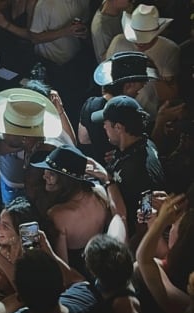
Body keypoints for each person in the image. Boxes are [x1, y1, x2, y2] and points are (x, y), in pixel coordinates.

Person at [90, 94, 165, 241]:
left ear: (118, 127)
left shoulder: (141, 174)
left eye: (106, 123)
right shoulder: (145, 143)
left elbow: (144, 225)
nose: (103, 126)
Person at [30, 144, 110, 276]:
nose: (44, 176)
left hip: (78, 277)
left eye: (51, 173)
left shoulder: (56, 214)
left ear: (65, 179)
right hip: (104, 269)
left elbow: (63, 267)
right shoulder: (100, 193)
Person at [78, 50, 160, 166]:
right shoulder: (129, 115)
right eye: (139, 88)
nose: (139, 92)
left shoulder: (89, 104)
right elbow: (144, 149)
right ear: (128, 86)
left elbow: (83, 139)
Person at [104, 4, 180, 118]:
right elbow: (105, 83)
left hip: (150, 117)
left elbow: (170, 95)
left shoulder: (169, 50)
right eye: (137, 38)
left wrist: (152, 71)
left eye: (145, 39)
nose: (140, 43)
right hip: (119, 115)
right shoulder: (118, 42)